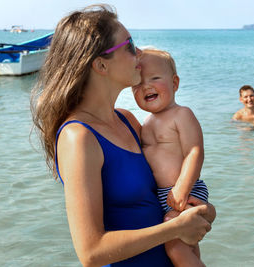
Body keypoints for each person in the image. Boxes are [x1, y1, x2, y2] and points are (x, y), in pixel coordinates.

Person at [31, 5, 214, 267]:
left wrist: (203, 214)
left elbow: (163, 189)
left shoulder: (127, 120)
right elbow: (90, 253)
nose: (139, 53)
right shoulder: (78, 137)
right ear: (101, 65)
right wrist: (175, 230)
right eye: (130, 45)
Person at [132, 48, 216, 267]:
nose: (146, 86)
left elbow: (194, 151)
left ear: (175, 83)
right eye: (137, 83)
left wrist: (182, 188)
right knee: (188, 247)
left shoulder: (181, 114)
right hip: (162, 195)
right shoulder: (146, 123)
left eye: (155, 78)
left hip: (186, 190)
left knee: (174, 244)